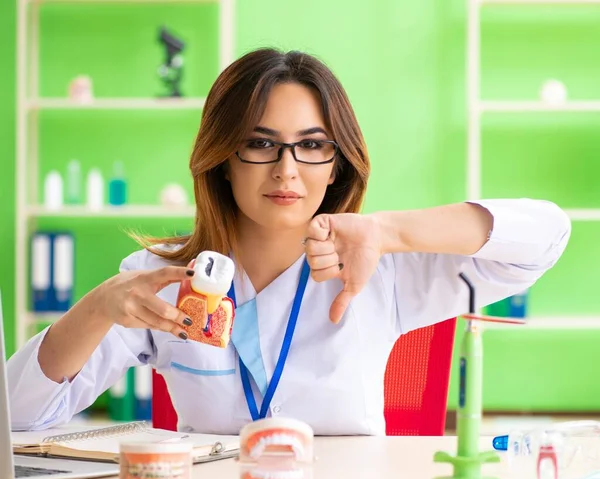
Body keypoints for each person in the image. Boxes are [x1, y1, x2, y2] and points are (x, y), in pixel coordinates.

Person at [7, 48, 570, 436]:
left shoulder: (382, 267)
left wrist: (387, 231)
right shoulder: (160, 276)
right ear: (223, 161)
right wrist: (100, 305)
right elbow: (17, 417)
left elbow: (546, 236)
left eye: (312, 145)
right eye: (259, 143)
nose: (286, 170)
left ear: (336, 165)